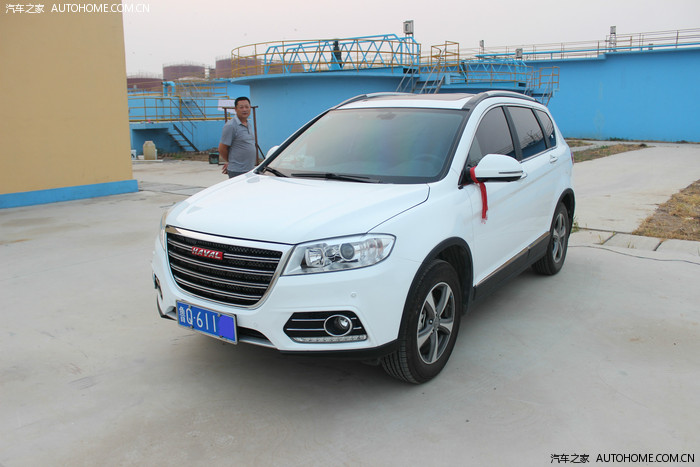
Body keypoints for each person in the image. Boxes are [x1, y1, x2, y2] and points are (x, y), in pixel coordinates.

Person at [218, 96, 256, 178]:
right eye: (241, 107)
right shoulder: (231, 126)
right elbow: (222, 148)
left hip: (250, 169)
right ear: (235, 109)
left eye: (247, 107)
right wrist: (230, 162)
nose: (244, 110)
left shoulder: (248, 124)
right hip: (237, 171)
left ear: (250, 108)